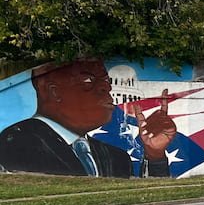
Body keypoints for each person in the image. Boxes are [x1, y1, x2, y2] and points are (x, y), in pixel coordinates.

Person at [0, 60, 175, 177]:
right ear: (53, 91)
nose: (105, 88)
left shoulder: (116, 158)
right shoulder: (17, 142)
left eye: (106, 82)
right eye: (88, 81)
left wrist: (155, 156)